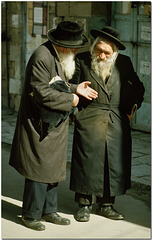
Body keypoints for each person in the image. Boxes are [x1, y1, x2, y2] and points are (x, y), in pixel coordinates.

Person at [9, 21, 98, 231]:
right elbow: (41, 91)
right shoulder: (42, 56)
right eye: (74, 47)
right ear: (64, 46)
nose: (76, 51)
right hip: (38, 124)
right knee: (38, 169)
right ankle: (30, 214)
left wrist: (76, 88)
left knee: (53, 168)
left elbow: (57, 82)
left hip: (53, 123)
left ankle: (49, 210)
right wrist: (73, 100)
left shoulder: (57, 55)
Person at [69, 26, 145, 222]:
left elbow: (138, 87)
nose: (101, 56)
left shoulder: (125, 63)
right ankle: (84, 205)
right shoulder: (82, 60)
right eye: (98, 50)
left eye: (106, 52)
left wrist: (130, 110)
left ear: (115, 52)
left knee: (113, 164)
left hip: (116, 119)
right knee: (87, 162)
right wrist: (76, 105)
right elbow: (69, 85)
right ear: (94, 47)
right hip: (89, 118)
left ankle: (106, 205)